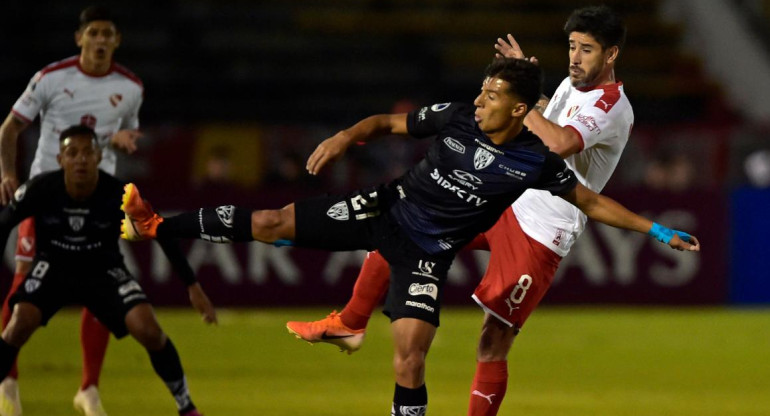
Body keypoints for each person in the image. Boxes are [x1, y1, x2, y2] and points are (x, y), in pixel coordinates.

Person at [120, 57, 698, 415]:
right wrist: (346, 137)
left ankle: (351, 329)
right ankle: (154, 224)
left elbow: (592, 202)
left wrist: (657, 229)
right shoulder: (456, 115)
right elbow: (386, 124)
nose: (479, 99)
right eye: (481, 90)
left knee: (409, 363)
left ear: (520, 109)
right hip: (384, 211)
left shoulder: (534, 162)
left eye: (491, 95)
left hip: (427, 254)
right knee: (271, 223)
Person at [286, 6, 636, 415]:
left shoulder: (611, 105)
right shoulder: (571, 85)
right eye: (572, 46)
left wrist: (527, 102)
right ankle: (350, 322)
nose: (574, 57)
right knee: (404, 229)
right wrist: (529, 88)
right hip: (505, 199)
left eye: (587, 50)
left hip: (544, 228)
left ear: (610, 55)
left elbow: (559, 142)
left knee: (492, 342)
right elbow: (545, 116)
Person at [0, 6, 153, 415]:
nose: (101, 40)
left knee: (98, 288)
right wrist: (8, 175)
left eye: (108, 34)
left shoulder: (131, 86)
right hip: (46, 194)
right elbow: (10, 128)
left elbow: (129, 131)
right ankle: (9, 381)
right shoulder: (51, 78)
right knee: (22, 283)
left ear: (116, 41)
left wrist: (125, 139)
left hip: (101, 198)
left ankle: (88, 388)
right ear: (80, 38)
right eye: (94, 33)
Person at [0, 125, 205, 416]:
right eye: (72, 153)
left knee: (148, 329)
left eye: (87, 152)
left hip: (102, 269)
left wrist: (191, 284)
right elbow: (3, 224)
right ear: (61, 159)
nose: (80, 159)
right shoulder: (40, 189)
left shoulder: (119, 192)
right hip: (54, 268)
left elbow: (160, 230)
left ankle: (186, 405)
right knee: (18, 323)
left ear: (98, 156)